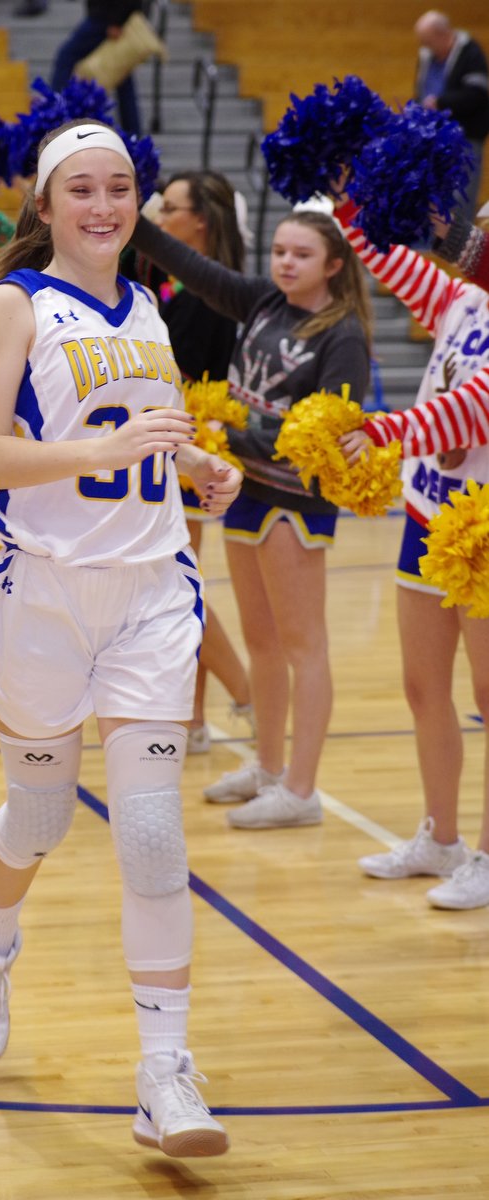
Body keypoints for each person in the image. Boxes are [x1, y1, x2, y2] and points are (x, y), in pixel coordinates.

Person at [0, 121, 241, 1157]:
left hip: (151, 590)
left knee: (152, 833)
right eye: (82, 189)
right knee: (38, 819)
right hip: (42, 591)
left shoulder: (149, 308)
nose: (105, 205)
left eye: (120, 187)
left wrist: (195, 463)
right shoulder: (14, 305)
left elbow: (142, 429)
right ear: (44, 205)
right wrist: (102, 451)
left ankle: (165, 1073)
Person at [129, 206, 372, 828]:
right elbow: (191, 266)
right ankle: (268, 767)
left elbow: (323, 440)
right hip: (246, 491)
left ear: (334, 265)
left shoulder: (343, 334)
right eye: (280, 251)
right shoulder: (263, 300)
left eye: (302, 255)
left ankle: (302, 790)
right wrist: (134, 214)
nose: (286, 263)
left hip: (294, 501)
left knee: (302, 646)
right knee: (261, 642)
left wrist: (228, 435)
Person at [337, 197, 489, 910]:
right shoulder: (462, 300)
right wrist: (348, 200)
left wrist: (384, 429)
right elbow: (389, 260)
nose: (475, 245)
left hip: (483, 527)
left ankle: (487, 855)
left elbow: (473, 407)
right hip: (429, 512)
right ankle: (441, 837)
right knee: (423, 686)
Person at [134, 170, 252, 752]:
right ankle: (195, 719)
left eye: (171, 208)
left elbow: (180, 370)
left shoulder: (216, 292)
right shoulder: (164, 280)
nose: (159, 217)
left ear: (200, 221)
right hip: (166, 437)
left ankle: (250, 695)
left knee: (180, 590)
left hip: (192, 440)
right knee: (184, 586)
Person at [414, 10, 489, 219]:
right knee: (434, 198)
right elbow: (420, 90)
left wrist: (441, 103)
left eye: (428, 41)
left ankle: (460, 237)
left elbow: (478, 94)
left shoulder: (470, 53)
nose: (426, 46)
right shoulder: (427, 56)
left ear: (443, 34)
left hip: (465, 136)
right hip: (434, 137)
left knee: (461, 197)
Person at [52, 1, 143, 136]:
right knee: (122, 76)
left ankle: (55, 112)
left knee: (65, 57)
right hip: (110, 16)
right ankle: (133, 132)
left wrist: (117, 21)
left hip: (106, 18)